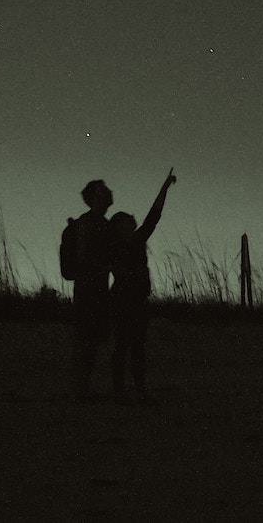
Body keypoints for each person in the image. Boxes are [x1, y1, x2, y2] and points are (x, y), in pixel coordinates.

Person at [108, 168, 177, 403]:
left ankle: (139, 389)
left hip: (138, 302)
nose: (127, 225)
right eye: (122, 223)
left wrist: (164, 188)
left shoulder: (138, 240)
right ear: (117, 228)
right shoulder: (115, 248)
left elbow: (154, 215)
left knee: (137, 348)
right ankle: (119, 390)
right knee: (122, 346)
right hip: (121, 302)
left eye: (128, 222)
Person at [67, 179, 114, 397]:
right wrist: (107, 266)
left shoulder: (102, 223)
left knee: (91, 339)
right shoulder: (88, 223)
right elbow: (83, 256)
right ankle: (79, 388)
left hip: (97, 288)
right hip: (88, 290)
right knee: (86, 339)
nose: (109, 193)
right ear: (95, 197)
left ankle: (81, 388)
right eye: (104, 191)